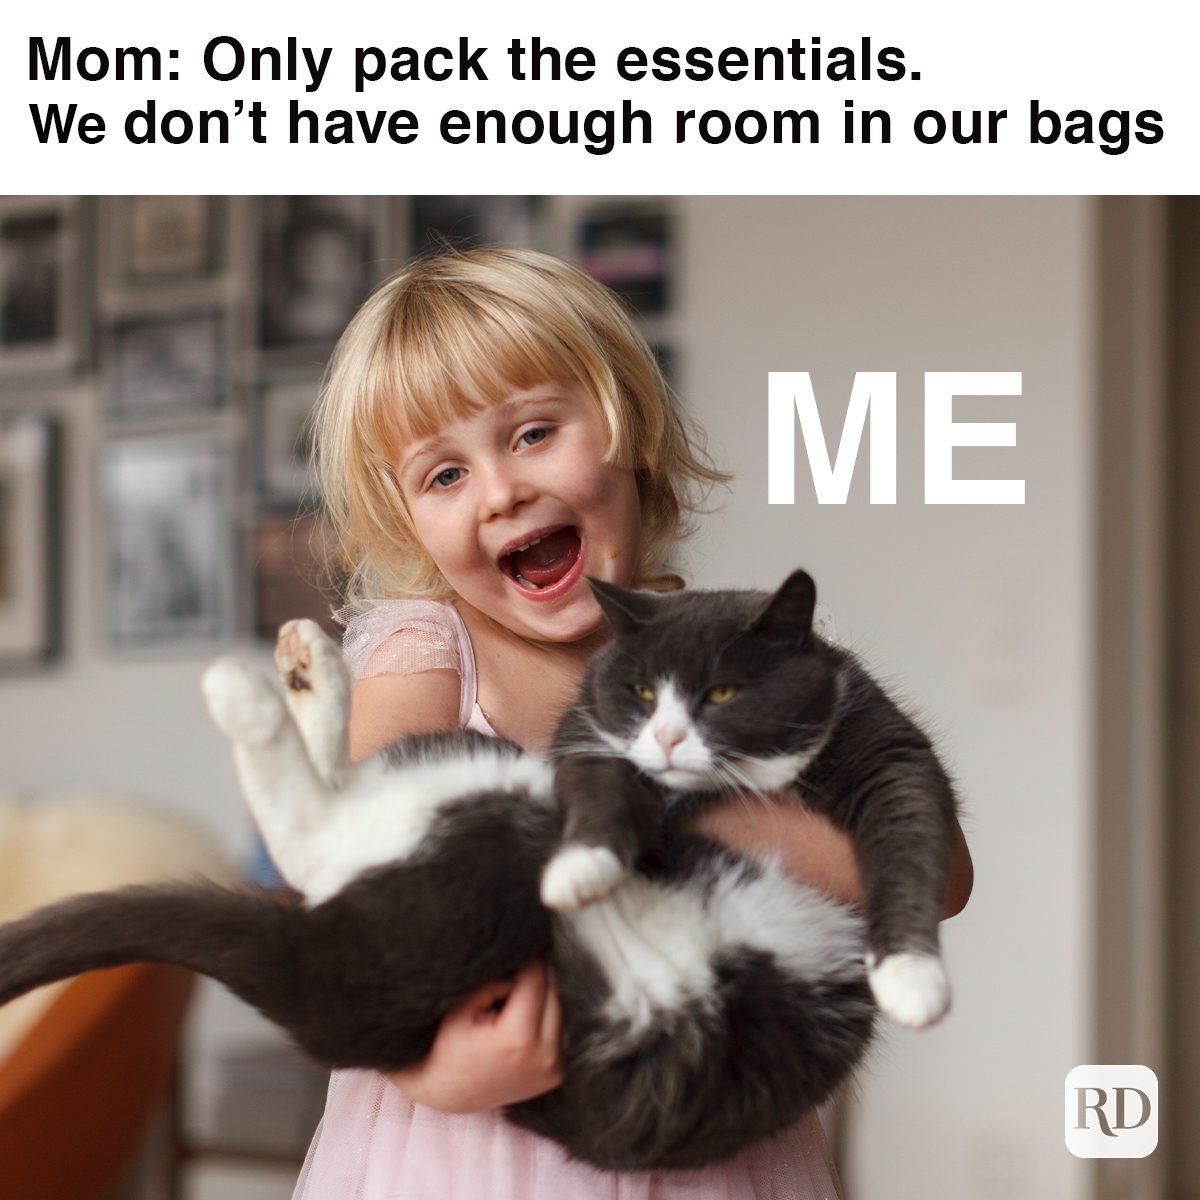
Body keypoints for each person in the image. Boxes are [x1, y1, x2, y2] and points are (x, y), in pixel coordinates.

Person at [293, 246, 973, 1199]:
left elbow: (939, 873)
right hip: (467, 1157)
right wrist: (425, 1069)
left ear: (630, 426)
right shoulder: (428, 649)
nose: (499, 492)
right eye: (442, 476)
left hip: (716, 1149)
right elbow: (363, 891)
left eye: (533, 433)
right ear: (406, 521)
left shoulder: (728, 655)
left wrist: (657, 814)